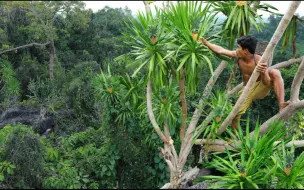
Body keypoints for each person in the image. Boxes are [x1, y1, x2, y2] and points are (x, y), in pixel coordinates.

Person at [199, 35, 290, 130]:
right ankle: (236, 139)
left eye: (238, 47)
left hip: (261, 87)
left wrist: (263, 72)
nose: (236, 49)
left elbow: (266, 82)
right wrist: (206, 42)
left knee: (275, 72)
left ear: (246, 50)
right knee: (235, 117)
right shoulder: (238, 56)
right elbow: (220, 50)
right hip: (247, 90)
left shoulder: (259, 60)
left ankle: (281, 103)